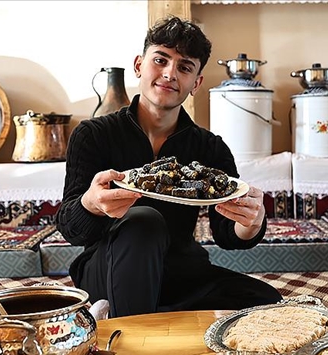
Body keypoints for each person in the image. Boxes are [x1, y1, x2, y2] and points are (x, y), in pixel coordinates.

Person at [55, 15, 282, 318]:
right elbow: (70, 228)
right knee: (144, 220)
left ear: (196, 83)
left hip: (179, 271)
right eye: (160, 60)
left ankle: (147, 312)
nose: (169, 73)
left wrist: (251, 222)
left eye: (184, 67)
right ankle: (139, 324)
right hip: (107, 267)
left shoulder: (210, 148)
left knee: (267, 302)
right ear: (139, 65)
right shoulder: (93, 134)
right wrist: (91, 204)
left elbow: (227, 233)